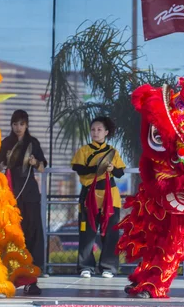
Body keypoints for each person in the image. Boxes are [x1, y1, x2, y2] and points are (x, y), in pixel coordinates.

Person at [0, 110, 46, 295]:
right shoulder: (6, 143)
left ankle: (32, 278)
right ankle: (6, 275)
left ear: (27, 125)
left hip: (30, 193)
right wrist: (2, 165)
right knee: (10, 233)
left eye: (21, 124)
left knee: (32, 232)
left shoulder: (33, 143)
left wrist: (34, 162)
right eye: (15, 124)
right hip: (10, 191)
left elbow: (42, 167)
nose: (18, 128)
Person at [71, 116, 125, 279]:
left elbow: (120, 172)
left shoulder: (113, 152)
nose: (95, 132)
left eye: (99, 130)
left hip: (110, 198)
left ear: (106, 132)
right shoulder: (84, 150)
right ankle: (85, 266)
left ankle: (108, 267)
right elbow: (79, 169)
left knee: (110, 233)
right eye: (93, 129)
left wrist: (111, 168)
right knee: (87, 232)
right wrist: (98, 168)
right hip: (90, 196)